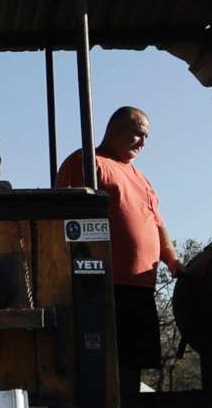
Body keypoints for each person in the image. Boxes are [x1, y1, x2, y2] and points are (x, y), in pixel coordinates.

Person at [54, 106, 184, 385]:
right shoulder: (86, 162)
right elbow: (65, 220)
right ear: (115, 129)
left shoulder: (141, 178)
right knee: (98, 366)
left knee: (132, 368)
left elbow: (157, 223)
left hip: (140, 287)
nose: (143, 142)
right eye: (138, 134)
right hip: (101, 285)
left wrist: (173, 262)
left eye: (146, 137)